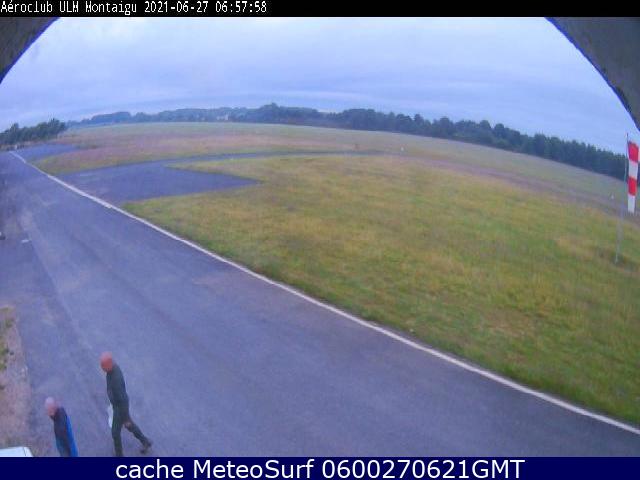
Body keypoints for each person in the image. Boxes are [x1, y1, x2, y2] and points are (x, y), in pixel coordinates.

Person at [100, 352, 152, 457]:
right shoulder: (112, 370)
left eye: (103, 366)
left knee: (116, 432)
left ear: (109, 364)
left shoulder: (116, 379)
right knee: (129, 426)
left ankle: (119, 455)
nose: (102, 368)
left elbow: (122, 399)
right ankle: (145, 441)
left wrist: (125, 417)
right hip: (118, 406)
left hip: (120, 408)